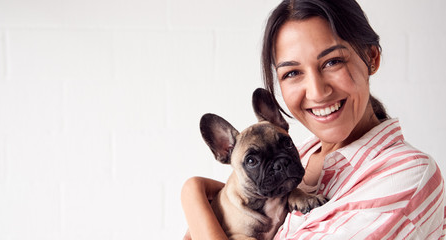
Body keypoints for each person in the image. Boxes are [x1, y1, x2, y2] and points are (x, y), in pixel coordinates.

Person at [181, 0, 446, 239]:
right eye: (292, 72)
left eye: (332, 62)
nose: (317, 92)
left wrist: (193, 195)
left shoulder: (407, 176)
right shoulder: (304, 152)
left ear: (371, 58)